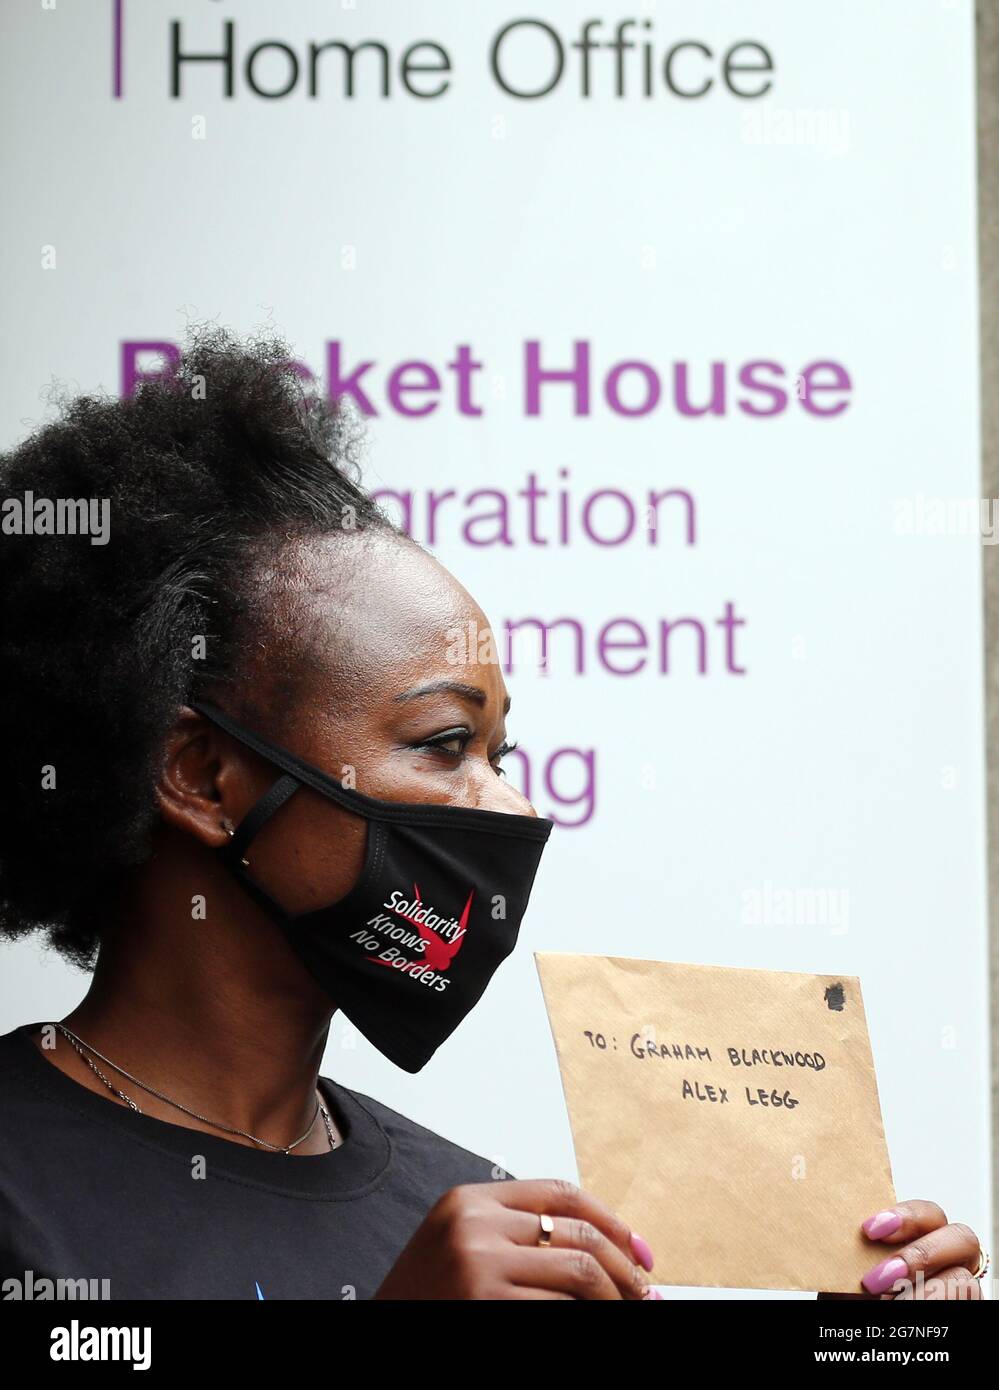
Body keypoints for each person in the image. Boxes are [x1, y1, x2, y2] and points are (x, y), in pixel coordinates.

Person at [0, 329, 984, 1301]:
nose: (510, 805)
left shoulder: (484, 1215)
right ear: (205, 776)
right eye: (443, 742)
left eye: (500, 753)